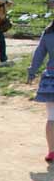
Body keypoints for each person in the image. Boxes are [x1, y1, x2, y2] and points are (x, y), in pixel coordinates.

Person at [26, 20, 54, 162]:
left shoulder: (48, 33)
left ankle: (51, 151)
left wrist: (32, 72)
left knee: (51, 118)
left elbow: (39, 54)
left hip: (50, 78)